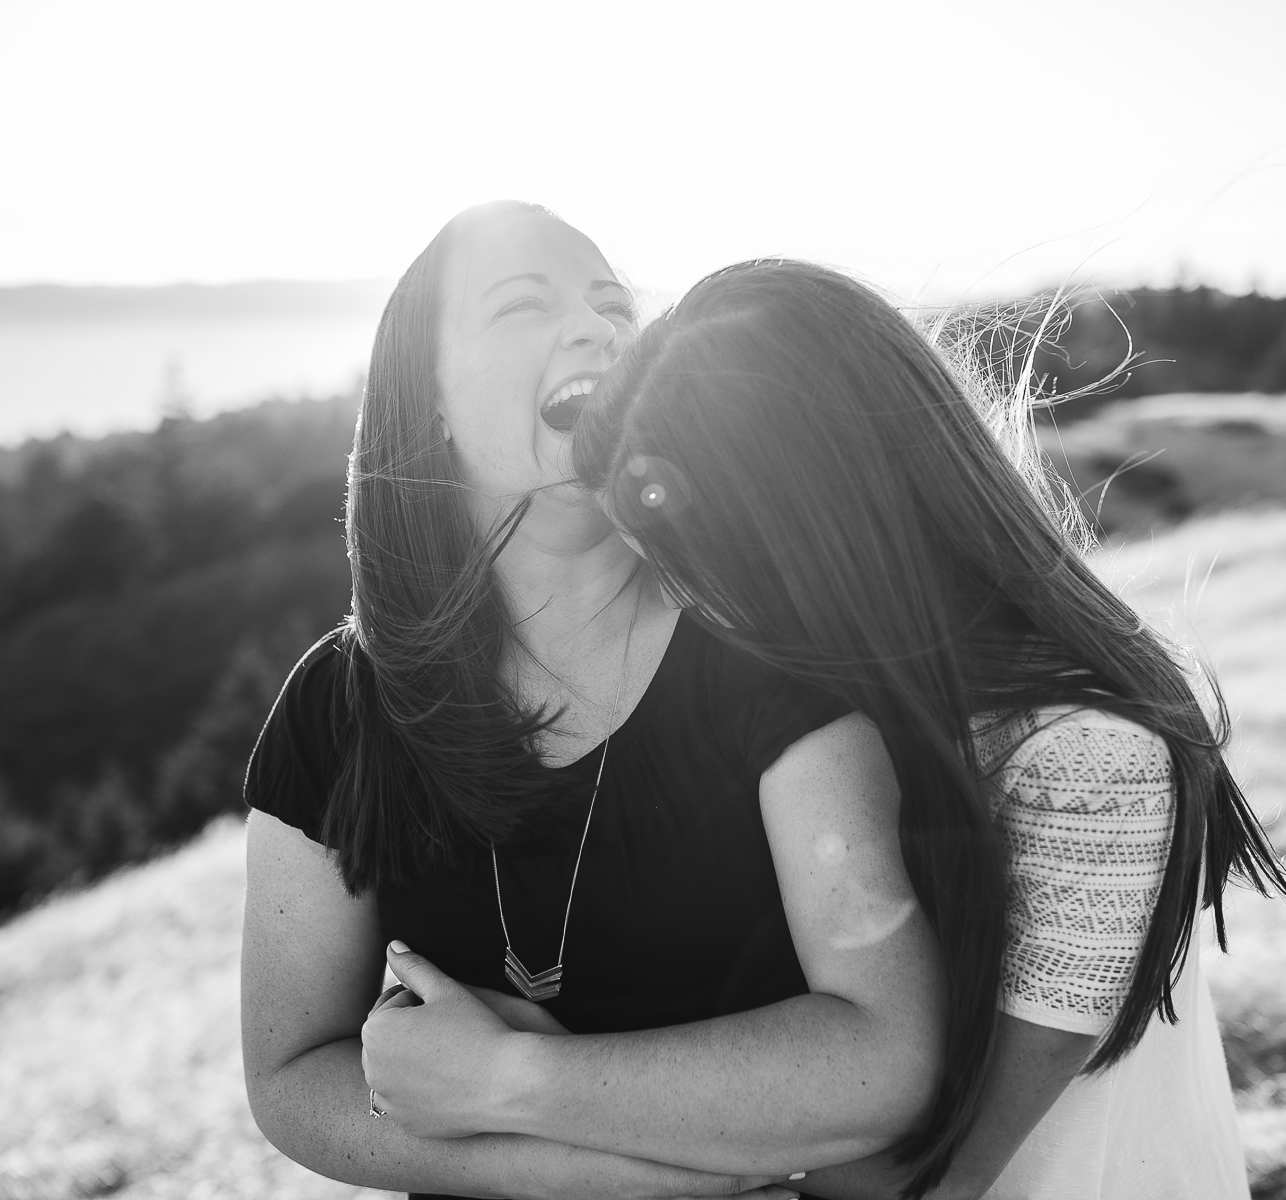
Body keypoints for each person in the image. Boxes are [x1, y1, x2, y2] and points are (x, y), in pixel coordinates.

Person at [382, 258, 1286, 1199]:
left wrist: (530, 1082)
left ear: (811, 521)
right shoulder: (835, 717)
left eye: (696, 561)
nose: (689, 605)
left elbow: (917, 1183)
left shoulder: (1087, 761)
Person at [240, 205, 969, 1199]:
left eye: (609, 307)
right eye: (522, 307)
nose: (595, 330)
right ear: (433, 400)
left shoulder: (769, 655)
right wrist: (618, 1178)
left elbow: (885, 1058)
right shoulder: (338, 708)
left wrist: (511, 1081)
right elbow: (290, 1078)